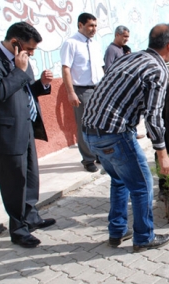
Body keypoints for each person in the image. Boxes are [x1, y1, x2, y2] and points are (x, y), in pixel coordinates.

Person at [82, 23, 169, 251]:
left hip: (89, 130)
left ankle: (117, 232)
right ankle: (144, 238)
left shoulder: (129, 57)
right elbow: (154, 116)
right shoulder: (158, 68)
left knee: (119, 180)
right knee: (142, 185)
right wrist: (162, 153)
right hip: (114, 134)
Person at [0, 22, 56, 248]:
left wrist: (42, 84)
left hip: (27, 125)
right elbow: (2, 91)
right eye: (29, 49)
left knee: (31, 176)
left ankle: (31, 216)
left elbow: (26, 88)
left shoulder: (22, 60)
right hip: (7, 132)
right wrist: (18, 71)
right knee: (14, 182)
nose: (31, 54)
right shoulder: (10, 62)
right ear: (15, 43)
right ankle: (18, 229)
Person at [60, 13, 104, 173]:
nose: (94, 29)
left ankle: (99, 154)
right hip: (81, 89)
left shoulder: (95, 44)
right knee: (85, 125)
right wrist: (71, 92)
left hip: (98, 88)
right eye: (90, 25)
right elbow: (66, 69)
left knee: (99, 123)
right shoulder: (71, 43)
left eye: (95, 25)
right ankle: (88, 159)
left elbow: (100, 68)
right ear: (80, 25)